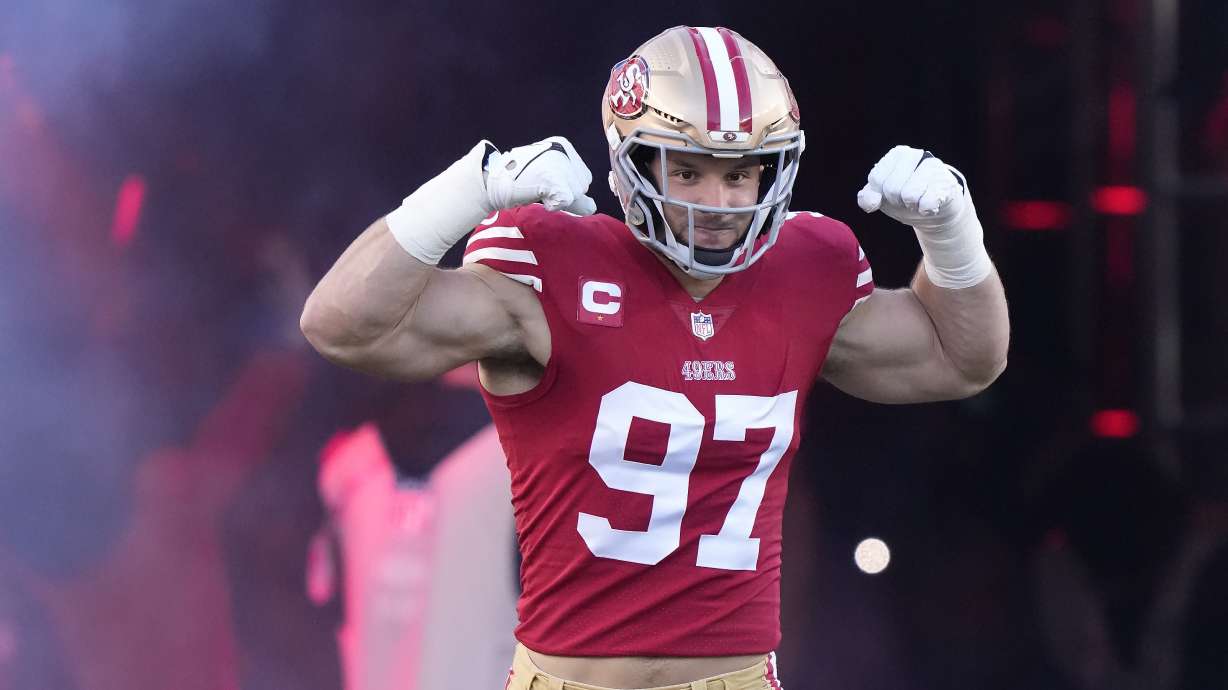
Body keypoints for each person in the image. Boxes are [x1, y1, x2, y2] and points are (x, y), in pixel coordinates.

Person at [301, 24, 1009, 690]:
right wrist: (468, 188)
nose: (720, 202)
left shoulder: (807, 270)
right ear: (633, 163)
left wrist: (953, 235)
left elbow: (963, 359)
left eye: (741, 174)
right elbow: (342, 326)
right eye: (690, 172)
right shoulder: (551, 266)